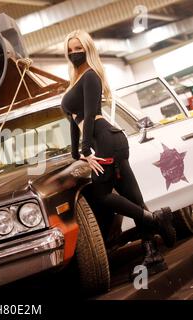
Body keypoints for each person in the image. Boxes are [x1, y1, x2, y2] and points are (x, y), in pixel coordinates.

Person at [60, 29, 176, 278]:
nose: (74, 53)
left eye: (78, 48)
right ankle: (152, 253)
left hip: (105, 139)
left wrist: (85, 147)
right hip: (107, 139)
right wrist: (74, 152)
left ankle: (154, 220)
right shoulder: (75, 79)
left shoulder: (91, 76)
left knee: (102, 195)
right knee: (133, 198)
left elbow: (89, 114)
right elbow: (73, 120)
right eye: (70, 50)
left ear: (88, 49)